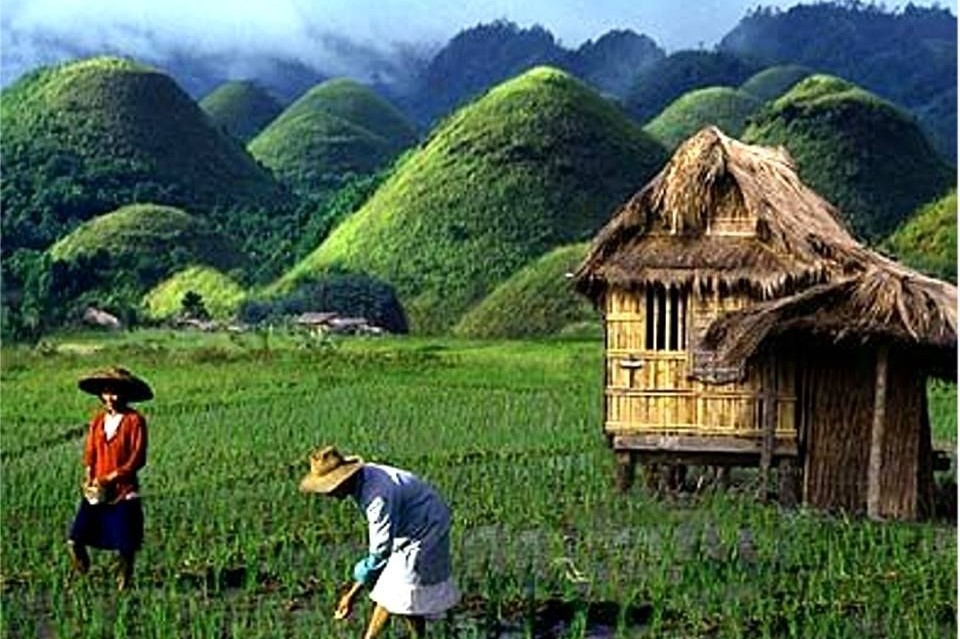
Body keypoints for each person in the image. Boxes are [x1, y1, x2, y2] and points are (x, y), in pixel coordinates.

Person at [300, 446, 460, 638]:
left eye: (329, 487)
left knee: (403, 589)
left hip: (426, 526)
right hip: (410, 523)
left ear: (343, 480)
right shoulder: (364, 479)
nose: (328, 494)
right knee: (396, 589)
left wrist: (352, 594)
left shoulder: (377, 496)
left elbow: (380, 553)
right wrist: (351, 595)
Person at [67, 367, 152, 591]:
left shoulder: (135, 421)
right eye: (106, 393)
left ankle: (124, 581)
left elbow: (137, 458)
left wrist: (112, 477)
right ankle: (83, 575)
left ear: (124, 394)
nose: (110, 398)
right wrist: (89, 478)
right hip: (98, 489)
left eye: (114, 393)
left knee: (125, 544)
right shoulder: (97, 421)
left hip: (124, 489)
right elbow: (90, 453)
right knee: (75, 540)